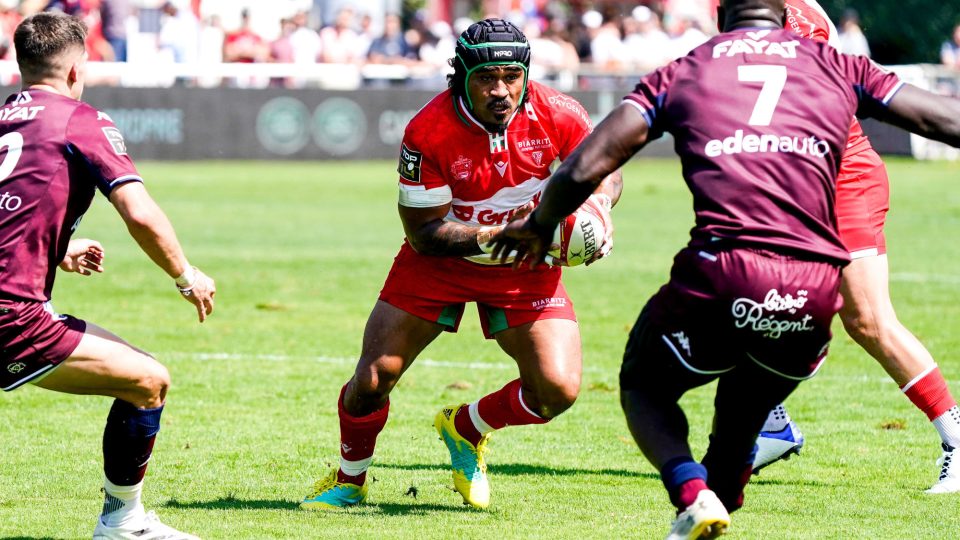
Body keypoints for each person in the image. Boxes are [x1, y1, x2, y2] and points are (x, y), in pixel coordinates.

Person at [490, 0, 960, 537]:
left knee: (644, 385)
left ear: (721, 12)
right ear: (782, 13)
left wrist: (541, 222)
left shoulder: (689, 68)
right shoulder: (837, 61)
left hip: (728, 267)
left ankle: (692, 491)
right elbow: (942, 117)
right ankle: (719, 490)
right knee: (746, 405)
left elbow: (589, 161)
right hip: (811, 291)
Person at [299, 18, 621, 511]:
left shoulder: (558, 111)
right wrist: (501, 233)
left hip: (524, 264)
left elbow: (605, 168)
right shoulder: (427, 131)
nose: (500, 90)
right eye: (485, 78)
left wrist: (598, 207)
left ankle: (465, 428)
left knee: (556, 390)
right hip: (441, 263)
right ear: (460, 76)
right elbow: (425, 234)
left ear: (527, 74)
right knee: (371, 382)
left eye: (512, 77)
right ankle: (349, 480)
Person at [1, 12, 215, 539]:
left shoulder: (5, 119)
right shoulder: (81, 119)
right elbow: (139, 213)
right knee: (148, 381)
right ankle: (122, 524)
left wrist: (57, 249)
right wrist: (186, 275)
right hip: (11, 316)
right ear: (76, 70)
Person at [752, 0, 960, 496]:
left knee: (868, 319)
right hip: (793, 183)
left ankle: (956, 435)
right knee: (751, 300)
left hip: (841, 177)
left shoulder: (796, 17)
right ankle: (771, 427)